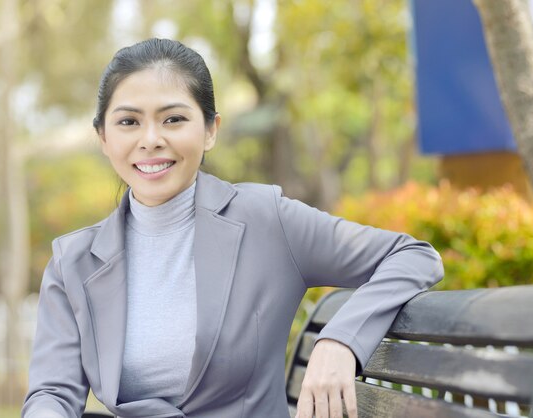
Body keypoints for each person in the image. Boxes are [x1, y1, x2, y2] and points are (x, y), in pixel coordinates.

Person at [22, 38, 443, 418]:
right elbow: (52, 392)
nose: (150, 139)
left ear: (210, 131)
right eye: (128, 122)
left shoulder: (266, 219)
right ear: (103, 138)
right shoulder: (72, 263)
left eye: (173, 119)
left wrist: (342, 341)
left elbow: (413, 255)